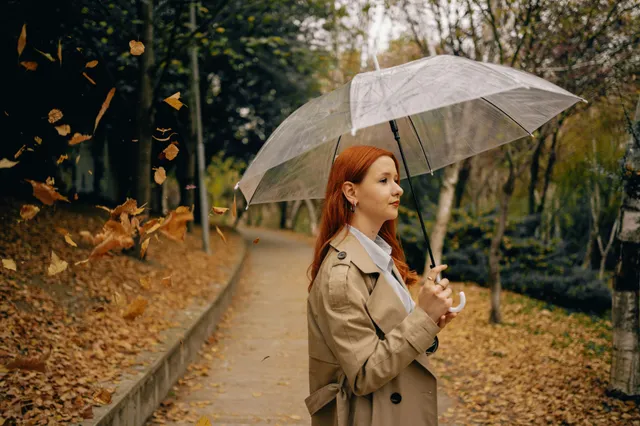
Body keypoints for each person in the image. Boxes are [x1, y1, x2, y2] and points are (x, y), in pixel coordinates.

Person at [305, 145, 458, 426]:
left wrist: (431, 323)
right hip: (369, 416)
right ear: (351, 192)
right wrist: (422, 318)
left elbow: (391, 338)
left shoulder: (379, 256)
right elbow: (364, 374)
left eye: (396, 180)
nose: (398, 189)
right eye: (384, 180)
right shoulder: (342, 275)